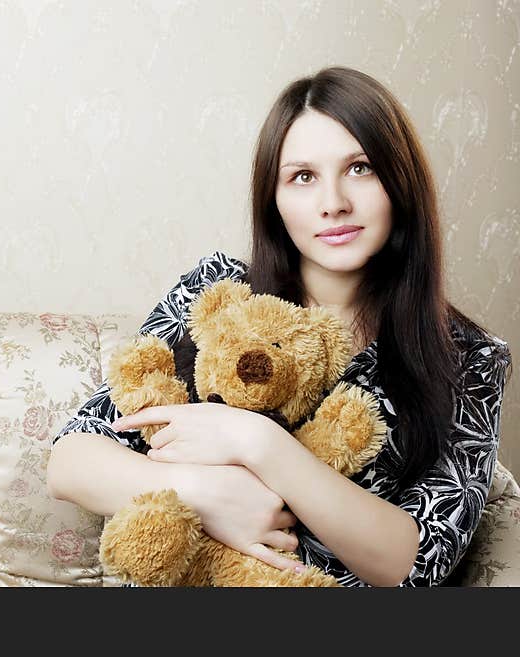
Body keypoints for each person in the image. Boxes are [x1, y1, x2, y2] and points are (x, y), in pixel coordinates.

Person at [46, 66, 513, 587]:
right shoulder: (217, 290)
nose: (333, 202)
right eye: (303, 177)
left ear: (399, 181)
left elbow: (418, 564)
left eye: (360, 168)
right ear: (274, 199)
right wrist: (203, 495)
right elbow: (71, 458)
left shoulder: (468, 356)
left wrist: (258, 441)